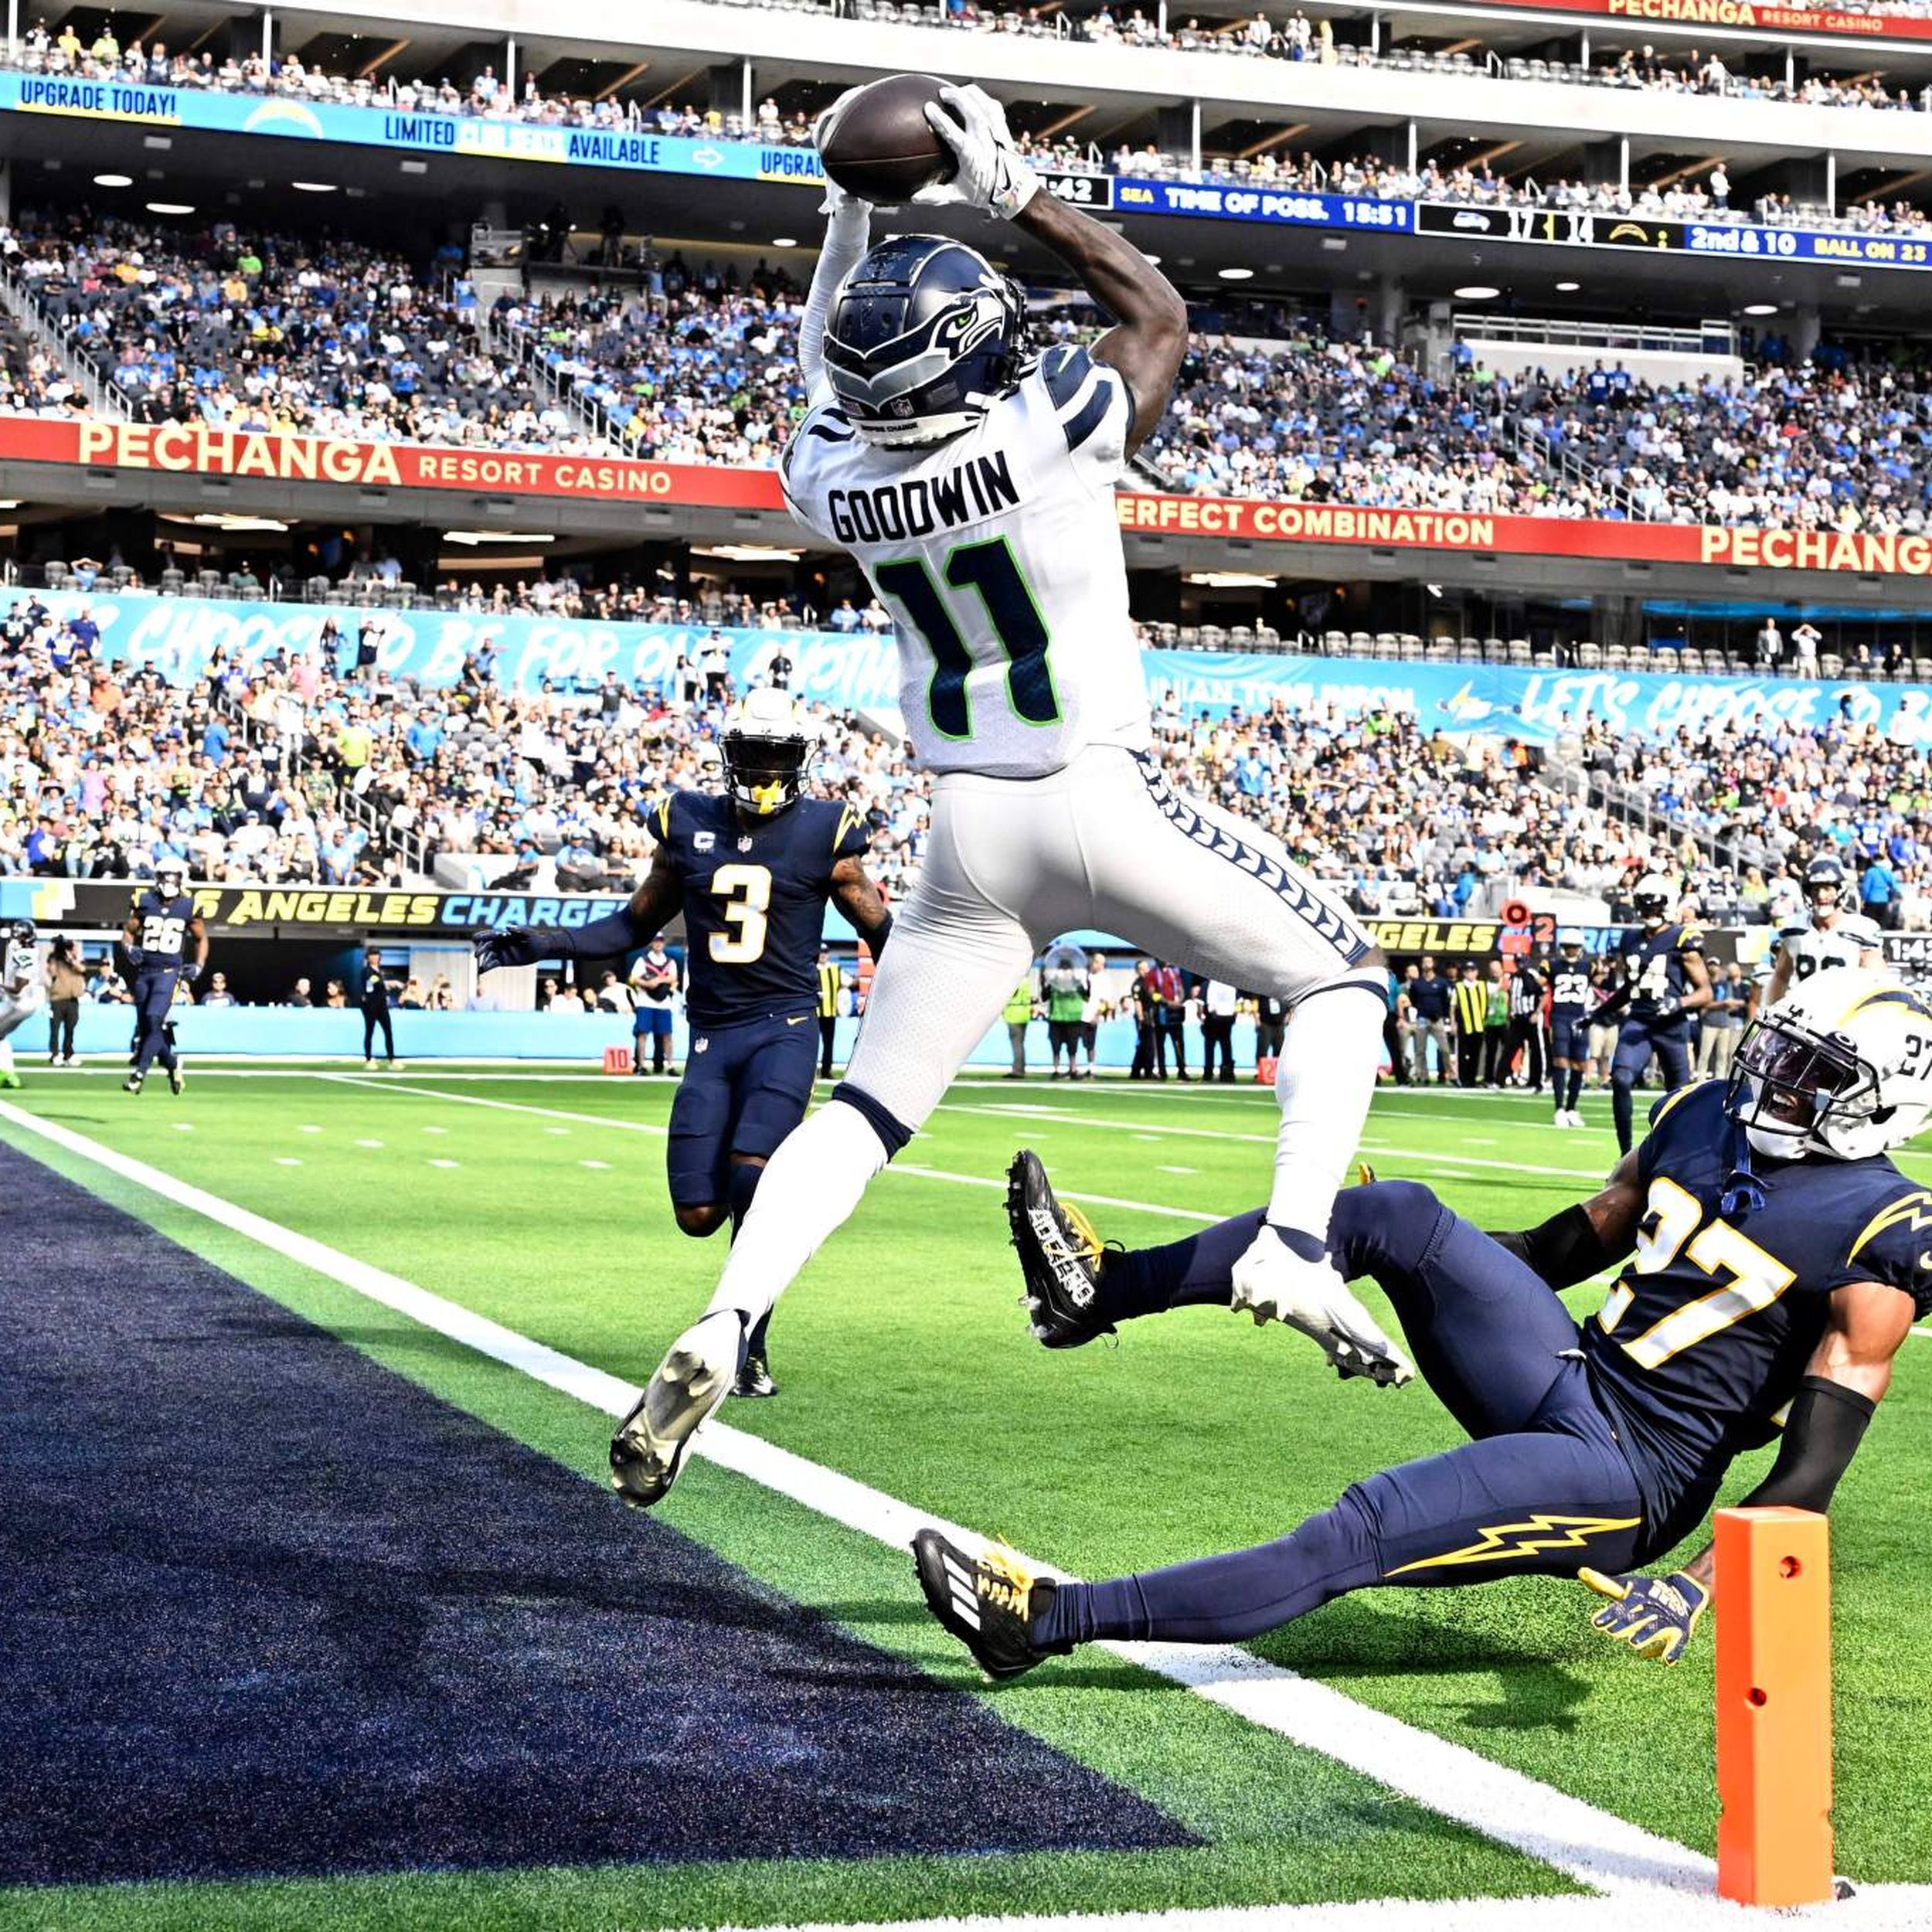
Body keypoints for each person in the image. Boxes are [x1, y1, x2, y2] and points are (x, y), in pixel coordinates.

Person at [590, 84, 1393, 1508]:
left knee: (868, 1110)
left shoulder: (835, 479)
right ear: (970, 356)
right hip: (1095, 795)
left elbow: (820, 375)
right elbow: (1152, 313)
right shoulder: (1048, 432)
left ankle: (731, 1315)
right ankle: (1298, 1243)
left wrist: (850, 213)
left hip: (967, 831)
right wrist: (1015, 190)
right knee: (1340, 983)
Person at [919, 970, 1932, 1680]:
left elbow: (1809, 1475)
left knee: (1363, 1529)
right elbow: (1555, 1251)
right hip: (1570, 1369)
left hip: (1633, 1473)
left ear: (1879, 1104)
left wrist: (1701, 1586)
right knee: (1393, 1212)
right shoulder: (1707, 1113)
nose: (1776, 1084)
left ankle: (1046, 1621)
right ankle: (1098, 1292)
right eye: (1779, 1055)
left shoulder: (1884, 1233)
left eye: (1813, 1075)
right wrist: (1420, 1257)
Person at [476, 689, 893, 1404]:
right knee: (698, 1213)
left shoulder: (829, 833)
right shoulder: (687, 821)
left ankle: (745, 1342)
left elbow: (886, 933)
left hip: (784, 1031)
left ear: (798, 762)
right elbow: (631, 926)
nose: (763, 770)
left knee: (751, 1178)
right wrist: (543, 943)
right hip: (711, 1036)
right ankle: (741, 1319)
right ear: (729, 756)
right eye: (753, 755)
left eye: (776, 756)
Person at [1597, 875, 1711, 1155]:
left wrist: (1678, 1003)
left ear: (1669, 905)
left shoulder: (1683, 937)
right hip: (1639, 1021)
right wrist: (1598, 1012)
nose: (1650, 912)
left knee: (1678, 1101)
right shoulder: (1630, 938)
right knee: (1621, 1079)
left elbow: (1705, 992)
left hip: (1672, 1027)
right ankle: (1625, 1156)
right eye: (1644, 906)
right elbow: (1628, 987)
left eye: (1655, 906)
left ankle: (1674, 1157)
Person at [121, 862, 204, 1095]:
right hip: (145, 972)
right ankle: (173, 1063)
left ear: (181, 879)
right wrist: (128, 949)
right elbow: (128, 932)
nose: (168, 882)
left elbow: (201, 938)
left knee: (154, 1017)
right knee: (148, 1028)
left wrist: (199, 965)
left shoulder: (189, 905)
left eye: (173, 877)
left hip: (169, 974)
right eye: (165, 876)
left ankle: (140, 1073)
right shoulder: (145, 901)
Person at [1766, 853, 1882, 1006]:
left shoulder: (1861, 930)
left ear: (1840, 890)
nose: (1821, 895)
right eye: (1815, 890)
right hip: (1802, 1016)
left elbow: (1877, 985)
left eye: (1827, 889)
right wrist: (1771, 1012)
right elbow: (1781, 976)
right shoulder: (1794, 927)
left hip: (1843, 1017)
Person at [1546, 931, 1594, 1128]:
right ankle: (1559, 1108)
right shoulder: (1552, 966)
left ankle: (1571, 1108)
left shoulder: (1588, 966)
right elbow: (1540, 983)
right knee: (1560, 1062)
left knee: (1579, 1064)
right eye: (1568, 946)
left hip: (1579, 1018)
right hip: (1560, 1016)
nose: (1571, 950)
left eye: (1574, 946)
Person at [0, 918, 46, 1090]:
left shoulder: (24, 954)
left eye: (16, 935)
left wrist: (1, 987)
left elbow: (18, 988)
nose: (13, 938)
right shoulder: (27, 952)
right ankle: (8, 1075)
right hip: (23, 1004)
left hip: (19, 1004)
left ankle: (8, 1074)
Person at [629, 938, 681, 1073]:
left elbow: (674, 978)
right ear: (652, 944)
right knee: (642, 1033)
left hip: (664, 1003)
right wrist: (647, 984)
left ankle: (670, 1065)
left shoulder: (670, 962)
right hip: (645, 1001)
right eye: (656, 941)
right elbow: (633, 978)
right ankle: (642, 1065)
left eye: (661, 941)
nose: (658, 944)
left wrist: (658, 980)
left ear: (664, 944)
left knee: (667, 1035)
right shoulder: (643, 960)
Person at [1040, 941, 1090, 1080]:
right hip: (1057, 1016)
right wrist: (1047, 983)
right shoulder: (1054, 981)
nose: (1066, 972)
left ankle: (1073, 1069)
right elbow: (1044, 997)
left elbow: (1087, 997)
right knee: (1056, 1045)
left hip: (1073, 1017)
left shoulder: (1078, 982)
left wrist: (1083, 982)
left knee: (1073, 1047)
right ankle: (1056, 1070)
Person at [1502, 955, 1546, 1094]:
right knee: (1509, 1049)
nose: (1521, 965)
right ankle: (1500, 1079)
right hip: (1517, 1018)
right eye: (1519, 962)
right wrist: (1510, 1012)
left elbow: (1544, 995)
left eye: (1523, 962)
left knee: (1536, 1050)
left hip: (1530, 1017)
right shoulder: (1513, 977)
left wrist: (1537, 1012)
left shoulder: (1533, 975)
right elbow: (1511, 996)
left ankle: (1536, 1081)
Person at [1406, 954, 1452, 1083]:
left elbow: (1445, 1001)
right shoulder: (1417, 984)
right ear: (1422, 965)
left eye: (1429, 962)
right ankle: (1423, 1076)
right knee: (1420, 1050)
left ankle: (1451, 1075)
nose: (1427, 964)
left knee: (1445, 1049)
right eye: (1424, 962)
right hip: (1422, 1019)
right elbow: (1413, 1000)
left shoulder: (1441, 982)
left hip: (1437, 1020)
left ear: (1433, 964)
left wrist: (1440, 1014)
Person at [43, 935, 84, 1067]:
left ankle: (69, 1054)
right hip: (58, 999)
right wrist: (58, 955)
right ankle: (55, 1054)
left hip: (73, 999)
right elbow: (52, 972)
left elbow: (82, 969)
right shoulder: (54, 959)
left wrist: (71, 959)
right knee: (54, 1029)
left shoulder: (75, 960)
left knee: (70, 1029)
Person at [359, 947, 403, 1068]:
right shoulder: (366, 971)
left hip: (382, 1005)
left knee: (388, 1031)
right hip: (369, 1005)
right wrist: (391, 983)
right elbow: (373, 981)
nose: (374, 957)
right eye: (372, 955)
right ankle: (368, 1059)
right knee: (370, 1032)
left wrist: (386, 987)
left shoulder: (380, 971)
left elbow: (380, 985)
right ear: (368, 957)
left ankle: (392, 1059)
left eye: (376, 954)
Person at [1451, 961, 1488, 1087]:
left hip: (1479, 1025)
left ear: (1477, 972)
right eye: (1467, 971)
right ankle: (1463, 1079)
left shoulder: (1483, 986)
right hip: (1464, 1025)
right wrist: (1453, 1023)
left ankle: (1472, 1079)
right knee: (1463, 1054)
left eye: (1472, 971)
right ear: (1464, 973)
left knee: (1475, 1054)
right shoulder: (1459, 987)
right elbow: (1453, 1007)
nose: (1470, 973)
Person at [815, 944, 848, 1079]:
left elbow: (848, 983)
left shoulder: (835, 969)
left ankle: (826, 1071)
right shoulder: (811, 970)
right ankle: (808, 1071)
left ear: (828, 954)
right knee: (811, 1044)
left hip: (830, 1013)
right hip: (814, 1013)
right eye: (821, 952)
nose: (823, 955)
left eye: (825, 952)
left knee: (829, 1044)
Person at [1200, 978, 1240, 1083]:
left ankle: (1208, 1073)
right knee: (1226, 1046)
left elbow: (1201, 1004)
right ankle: (1227, 1073)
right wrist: (1234, 1016)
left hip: (1212, 1018)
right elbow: (1239, 1002)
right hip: (1227, 1017)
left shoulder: (1208, 984)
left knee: (1210, 1047)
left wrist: (1202, 1018)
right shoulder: (1231, 983)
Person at [1003, 971, 1037, 1080]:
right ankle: (1021, 1068)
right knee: (1020, 1044)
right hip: (1024, 1014)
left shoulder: (1015, 981)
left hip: (1014, 1015)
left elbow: (1011, 995)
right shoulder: (1026, 982)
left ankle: (1017, 1070)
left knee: (1016, 1044)